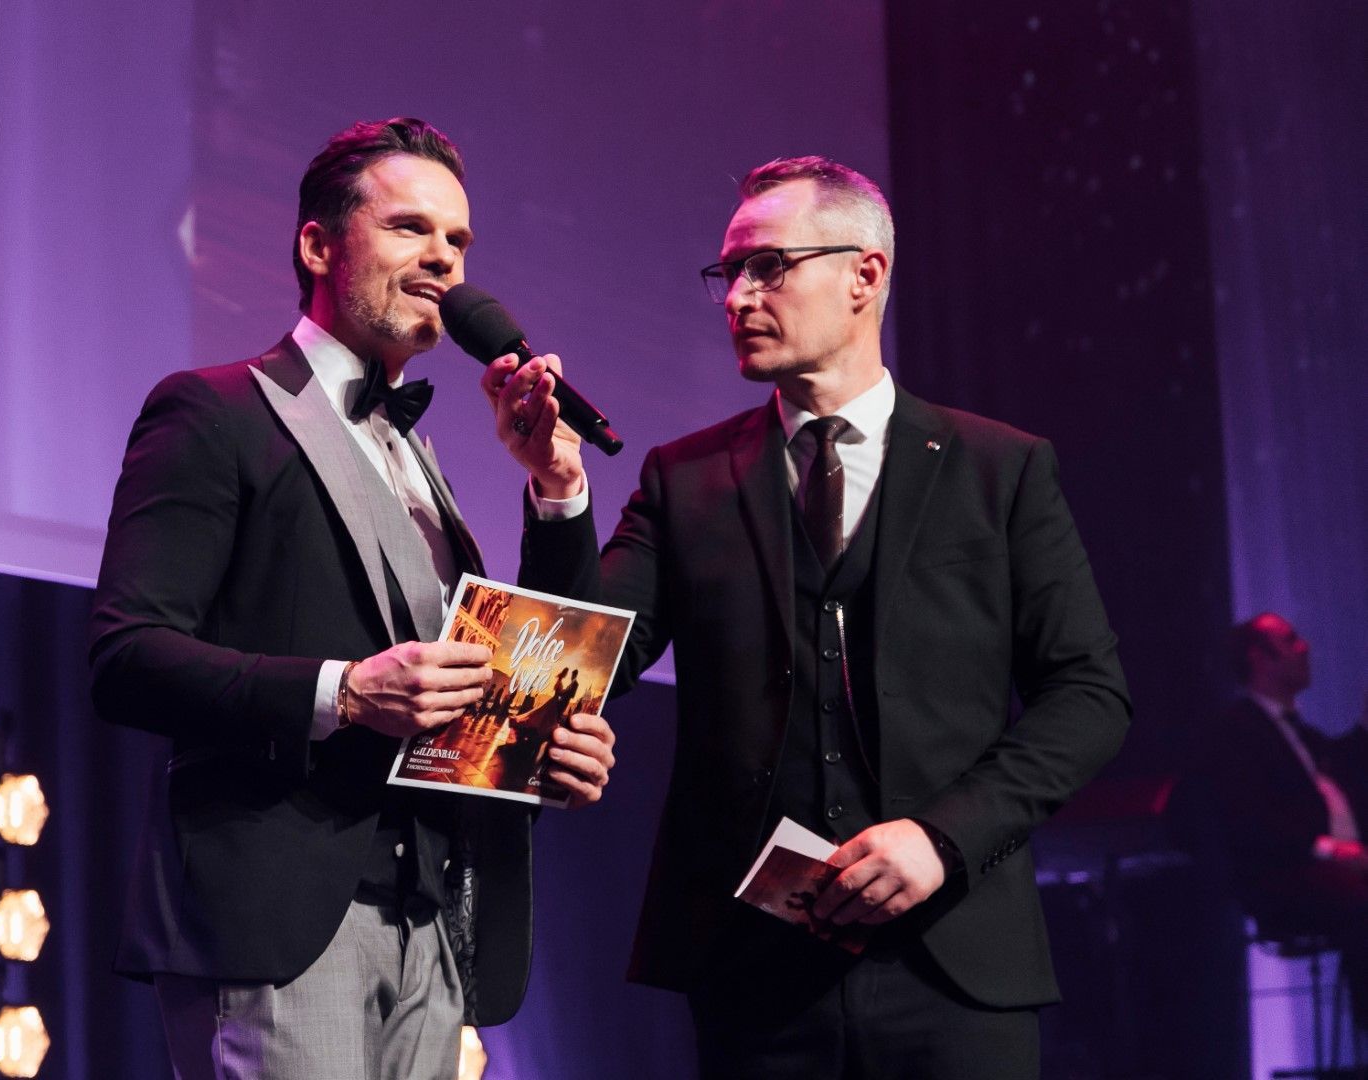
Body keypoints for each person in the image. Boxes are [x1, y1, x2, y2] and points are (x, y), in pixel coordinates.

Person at [488, 156, 1130, 1077]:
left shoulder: (999, 469)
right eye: (728, 273)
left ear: (865, 275)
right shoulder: (685, 479)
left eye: (768, 266)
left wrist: (943, 838)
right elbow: (572, 668)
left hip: (954, 968)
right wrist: (557, 491)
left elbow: (1089, 696)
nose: (737, 297)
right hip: (754, 976)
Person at [88, 117, 617, 1080]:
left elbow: (530, 671)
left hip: (433, 925)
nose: (444, 259)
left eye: (458, 240)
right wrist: (345, 692)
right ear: (318, 246)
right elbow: (127, 656)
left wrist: (556, 490)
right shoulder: (213, 411)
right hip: (279, 925)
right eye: (411, 228)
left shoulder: (419, 459)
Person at [1205, 612, 1368, 1032]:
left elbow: (1339, 772)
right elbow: (1250, 819)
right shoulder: (1236, 733)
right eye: (1290, 640)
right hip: (1286, 876)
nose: (1304, 648)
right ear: (1259, 658)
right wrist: (1330, 850)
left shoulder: (1301, 736)